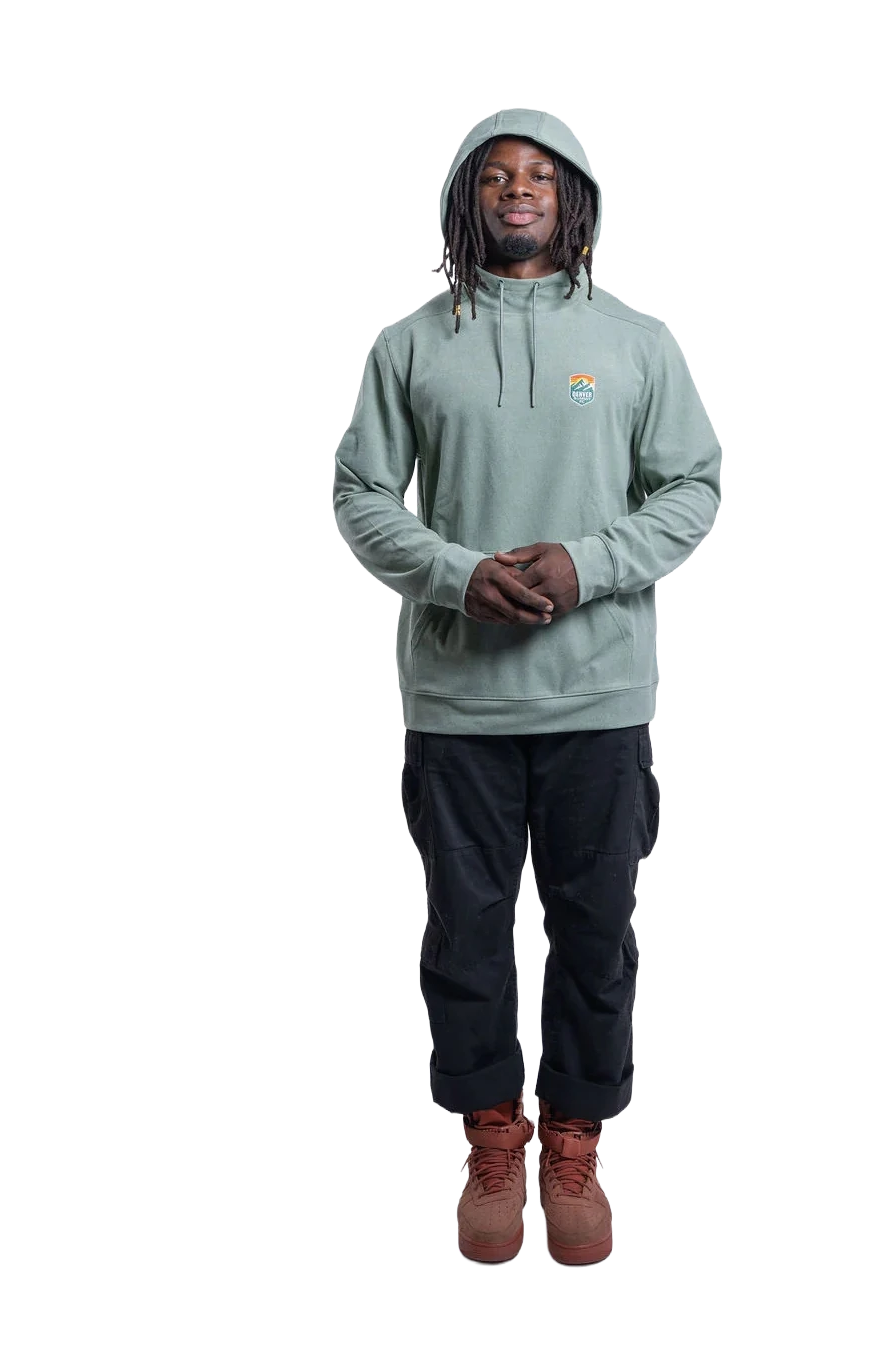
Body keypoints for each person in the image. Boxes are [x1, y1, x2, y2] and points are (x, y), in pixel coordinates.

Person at [331, 106, 723, 1267]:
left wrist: (588, 563)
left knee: (597, 932)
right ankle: (492, 1137)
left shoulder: (638, 341)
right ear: (466, 200)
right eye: (494, 175)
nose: (516, 190)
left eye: (539, 177)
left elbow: (692, 491)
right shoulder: (410, 345)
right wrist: (455, 575)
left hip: (600, 699)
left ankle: (577, 1138)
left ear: (574, 199)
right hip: (456, 702)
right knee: (464, 934)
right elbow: (362, 499)